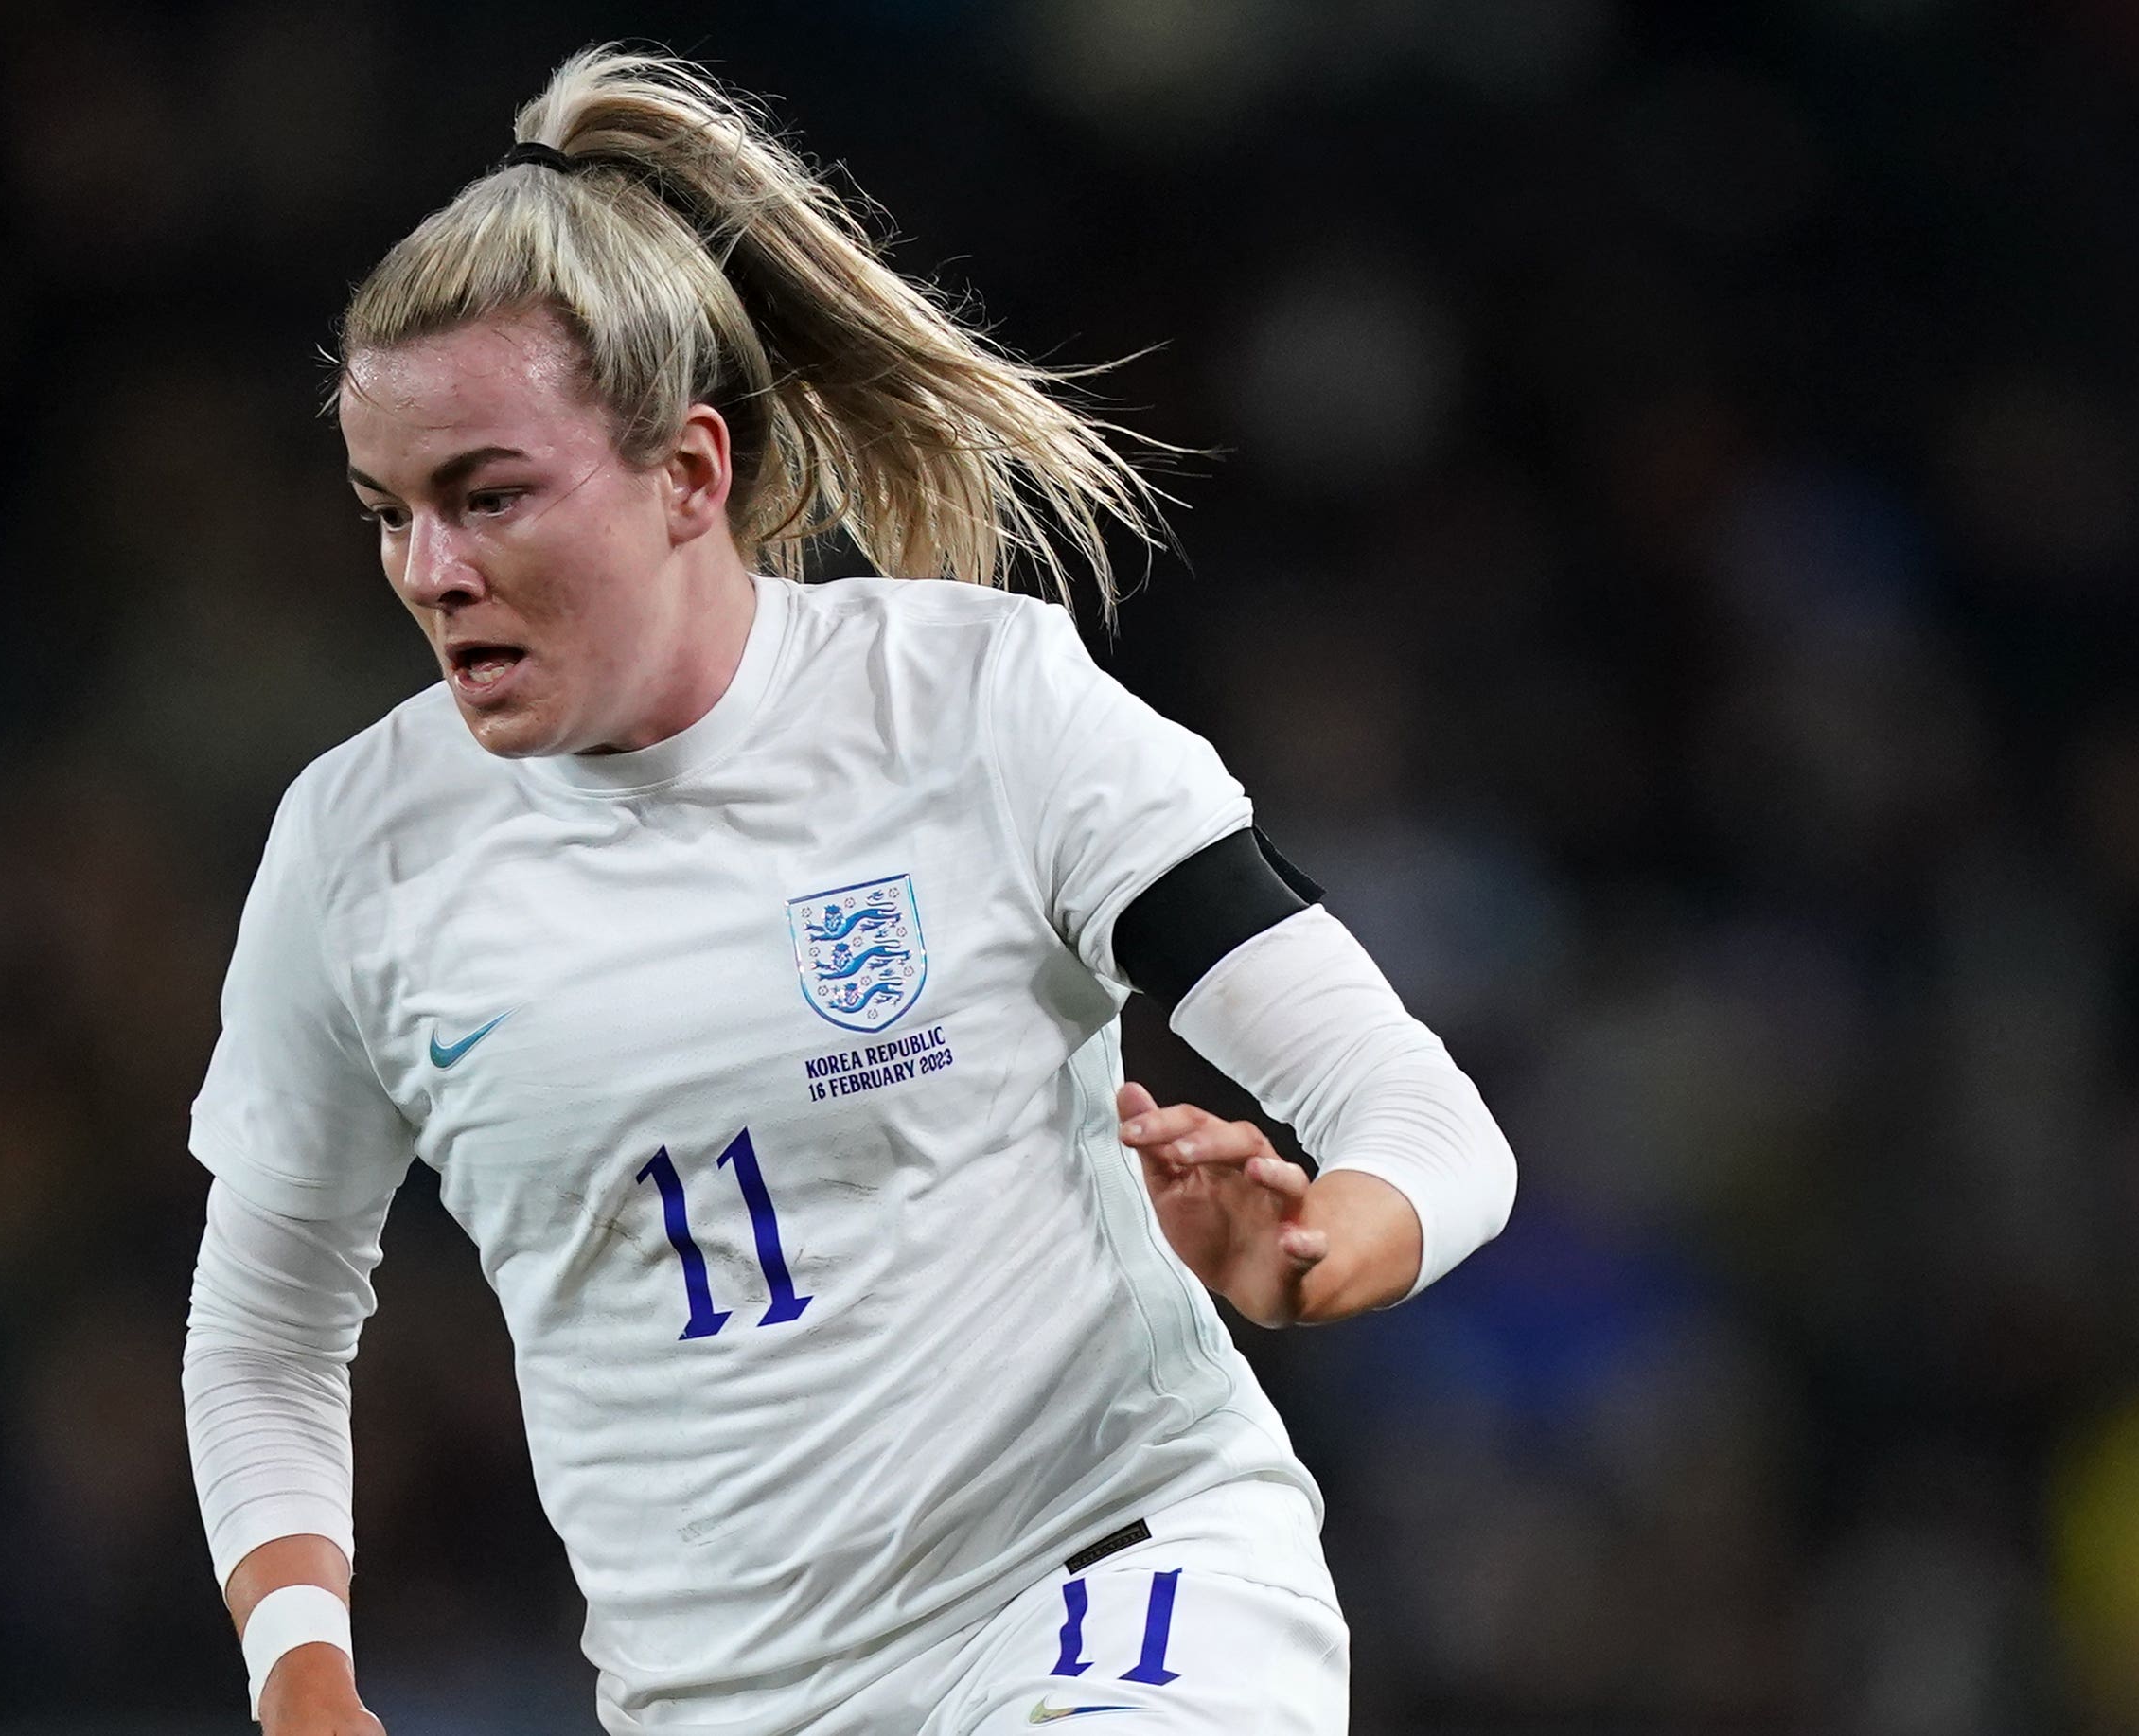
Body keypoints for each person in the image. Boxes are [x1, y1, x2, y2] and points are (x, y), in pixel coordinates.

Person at [182, 45, 1515, 1736]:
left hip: (1116, 1580)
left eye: (490, 495)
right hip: (718, 1700)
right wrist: (301, 1674)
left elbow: (1425, 1115)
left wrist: (1328, 1248)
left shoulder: (980, 710)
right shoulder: (358, 848)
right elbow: (266, 1331)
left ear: (690, 472)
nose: (432, 572)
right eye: (392, 514)